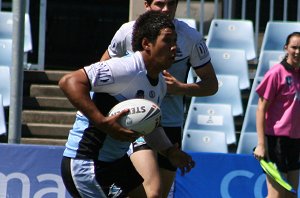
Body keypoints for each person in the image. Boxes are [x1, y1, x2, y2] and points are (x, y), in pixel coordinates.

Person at [59, 10, 195, 198]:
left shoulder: (161, 83)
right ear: (147, 44)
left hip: (116, 162)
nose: (174, 48)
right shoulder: (125, 68)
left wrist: (170, 151)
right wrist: (101, 121)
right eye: (167, 40)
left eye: (175, 41)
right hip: (88, 163)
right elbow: (69, 82)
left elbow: (150, 125)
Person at [100, 0, 218, 197]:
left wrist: (180, 88)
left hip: (170, 122)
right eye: (159, 4)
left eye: (171, 4)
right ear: (146, 4)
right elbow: (103, 68)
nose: (165, 9)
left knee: (158, 195)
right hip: (138, 118)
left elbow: (211, 85)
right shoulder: (127, 32)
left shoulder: (190, 37)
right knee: (151, 192)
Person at [253, 32, 300, 198]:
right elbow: (261, 109)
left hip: (296, 142)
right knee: (276, 196)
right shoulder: (276, 73)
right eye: (294, 47)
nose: (297, 52)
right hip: (276, 141)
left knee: (291, 196)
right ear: (286, 48)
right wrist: (261, 144)